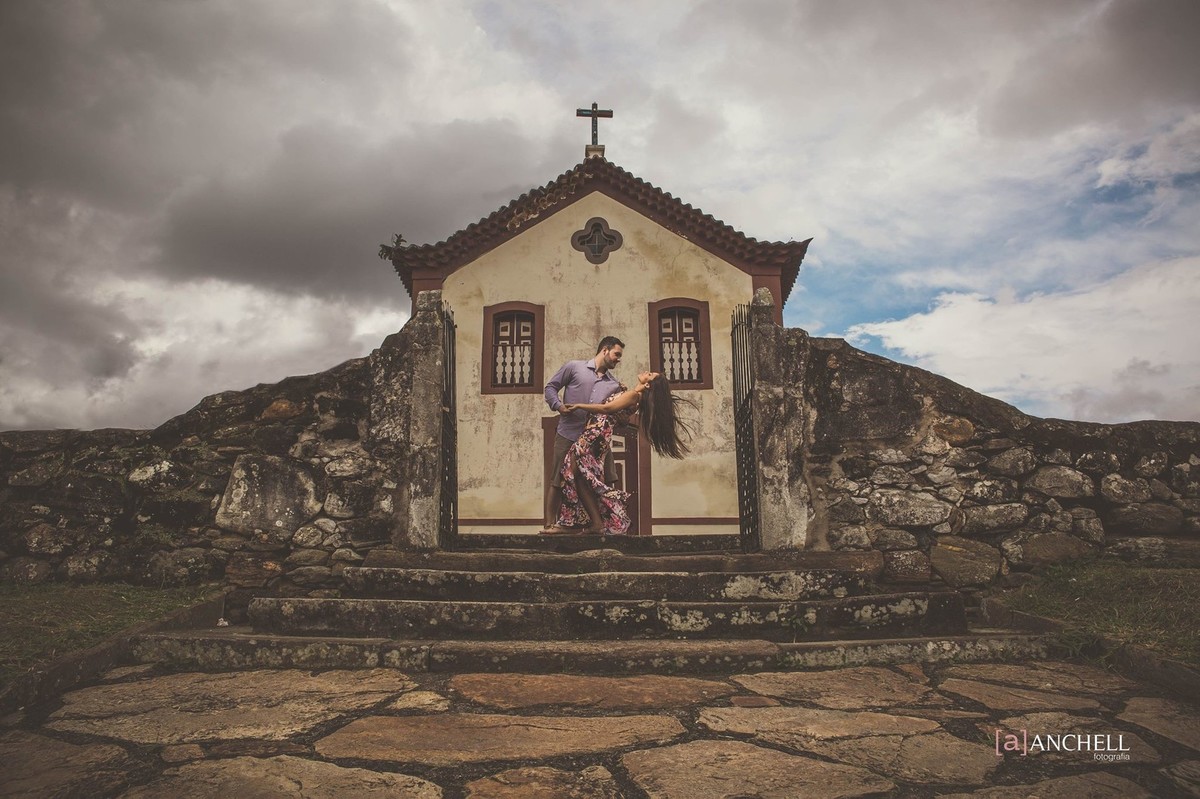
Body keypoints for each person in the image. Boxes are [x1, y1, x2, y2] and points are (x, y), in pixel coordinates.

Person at [556, 370, 693, 535]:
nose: (646, 372)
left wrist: (579, 405)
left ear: (648, 384)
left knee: (572, 470)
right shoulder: (633, 398)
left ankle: (580, 523)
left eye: (649, 375)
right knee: (578, 476)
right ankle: (596, 524)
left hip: (594, 434)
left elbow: (607, 408)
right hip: (597, 435)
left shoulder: (633, 396)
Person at [541, 337, 625, 533]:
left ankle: (609, 525)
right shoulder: (573, 367)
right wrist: (558, 406)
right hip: (568, 433)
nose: (618, 359)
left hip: (595, 440)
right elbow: (550, 387)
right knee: (558, 478)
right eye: (616, 354)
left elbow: (613, 412)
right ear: (605, 350)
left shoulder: (613, 385)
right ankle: (549, 526)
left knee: (607, 478)